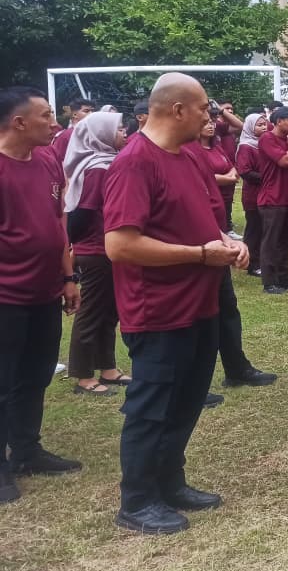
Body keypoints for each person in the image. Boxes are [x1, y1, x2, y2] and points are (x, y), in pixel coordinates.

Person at [103, 73, 249, 534]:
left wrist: (228, 240)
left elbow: (206, 219)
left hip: (200, 303)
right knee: (152, 407)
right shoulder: (134, 163)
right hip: (158, 310)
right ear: (178, 109)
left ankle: (169, 481)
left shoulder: (189, 157)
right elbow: (120, 245)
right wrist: (200, 255)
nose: (211, 116)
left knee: (187, 400)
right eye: (204, 107)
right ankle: (137, 500)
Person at [0, 87, 82, 506]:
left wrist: (69, 277)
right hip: (6, 296)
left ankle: (26, 450)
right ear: (18, 122)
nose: (55, 123)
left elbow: (57, 221)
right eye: (46, 115)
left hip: (46, 290)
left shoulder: (48, 159)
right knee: (3, 380)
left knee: (36, 374)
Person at [192, 119, 276, 391]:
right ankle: (190, 385)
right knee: (196, 319)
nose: (209, 122)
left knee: (227, 310)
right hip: (194, 252)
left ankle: (237, 368)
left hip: (216, 243)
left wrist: (225, 238)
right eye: (202, 115)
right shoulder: (176, 155)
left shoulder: (208, 150)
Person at [64, 111, 132, 396]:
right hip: (95, 250)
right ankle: (82, 375)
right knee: (92, 312)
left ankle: (107, 367)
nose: (124, 133)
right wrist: (78, 245)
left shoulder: (107, 162)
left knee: (109, 312)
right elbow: (82, 213)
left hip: (106, 249)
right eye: (118, 129)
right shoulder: (98, 169)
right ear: (100, 134)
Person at [258, 106, 288, 295]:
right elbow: (284, 161)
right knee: (271, 241)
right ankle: (269, 281)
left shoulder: (287, 140)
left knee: (285, 240)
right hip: (272, 198)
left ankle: (283, 277)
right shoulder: (267, 138)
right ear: (279, 121)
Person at [235, 113, 268, 277]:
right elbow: (245, 171)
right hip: (253, 194)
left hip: (266, 193)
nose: (264, 127)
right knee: (254, 229)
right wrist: (268, 177)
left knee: (264, 229)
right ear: (250, 127)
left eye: (265, 124)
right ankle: (252, 263)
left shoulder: (263, 144)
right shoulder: (246, 147)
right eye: (259, 125)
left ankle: (261, 261)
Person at [214, 101, 243, 237]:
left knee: (227, 199)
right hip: (215, 169)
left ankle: (227, 227)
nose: (230, 111)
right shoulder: (214, 126)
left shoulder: (222, 127)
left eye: (231, 109)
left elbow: (240, 126)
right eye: (227, 108)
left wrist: (222, 111)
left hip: (229, 168)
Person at [50, 97, 95, 164]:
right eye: (86, 111)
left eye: (92, 111)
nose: (91, 113)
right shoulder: (67, 135)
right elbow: (56, 161)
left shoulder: (93, 133)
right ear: (74, 114)